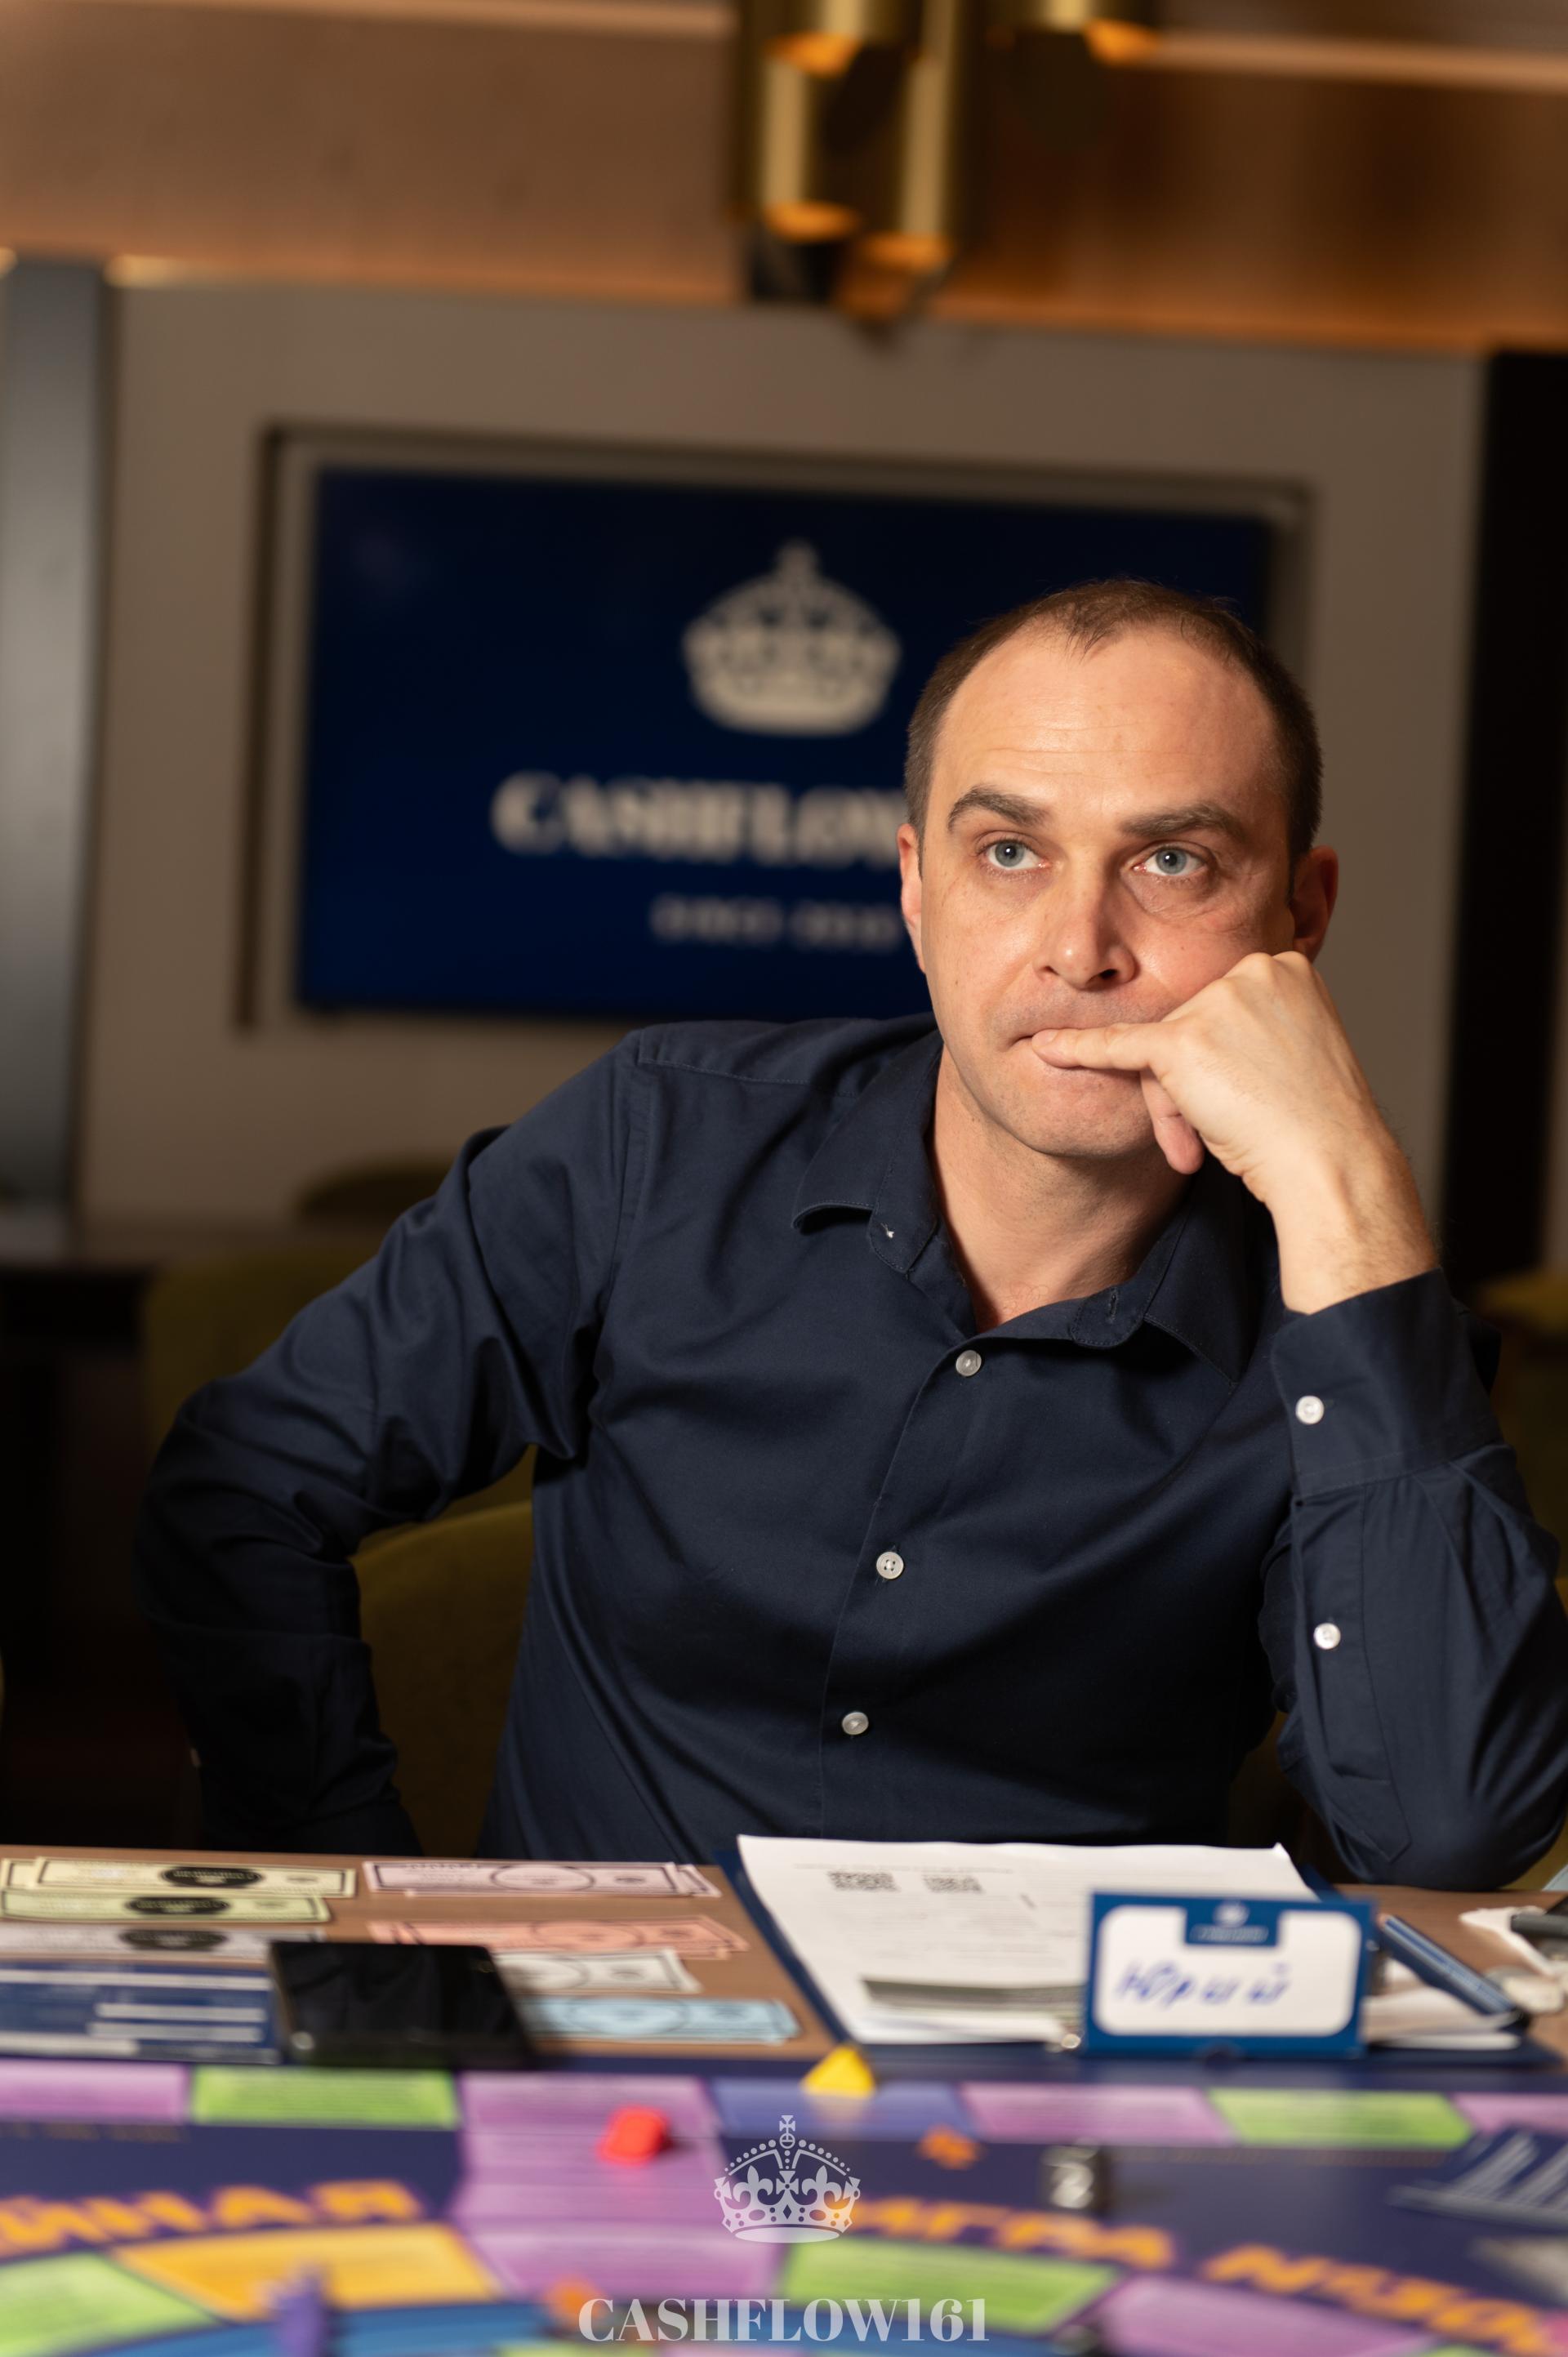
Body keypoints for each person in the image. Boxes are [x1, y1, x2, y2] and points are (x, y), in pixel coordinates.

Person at [135, 579, 1568, 1885]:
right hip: (611, 2043)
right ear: (916, 889)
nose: (1081, 948)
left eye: (1175, 861)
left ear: (1299, 917)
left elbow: (1448, 1828)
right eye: (1010, 850)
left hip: (1056, 2068)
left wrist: (1345, 1174)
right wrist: (355, 1896)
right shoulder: (655, 1143)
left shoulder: (1350, 1322)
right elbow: (247, 1482)